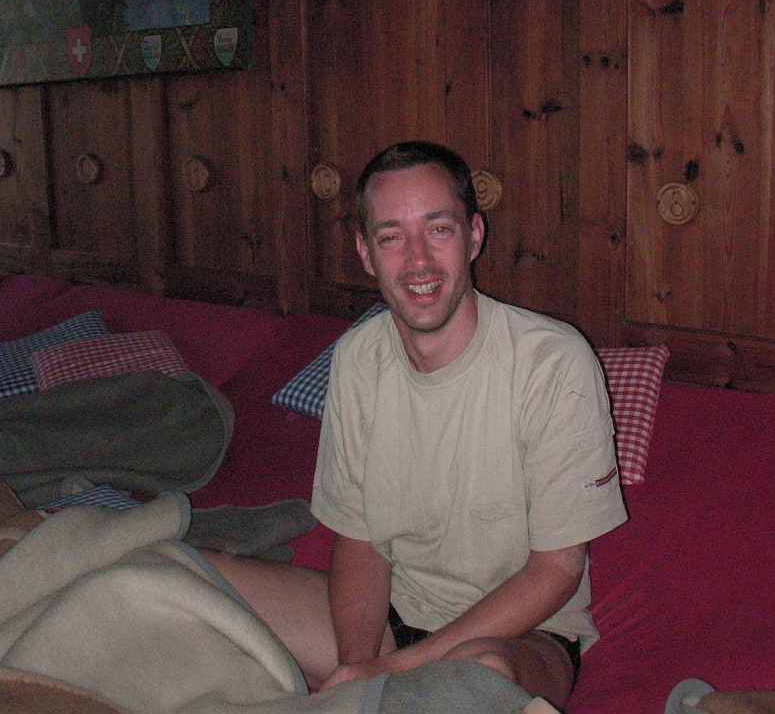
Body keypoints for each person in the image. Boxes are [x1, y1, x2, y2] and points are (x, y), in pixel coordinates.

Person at [206, 141, 627, 710]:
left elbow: (556, 570)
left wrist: (391, 670)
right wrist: (358, 668)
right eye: (391, 237)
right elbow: (360, 541)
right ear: (365, 253)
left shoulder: (552, 362)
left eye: (438, 230)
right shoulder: (358, 358)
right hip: (394, 619)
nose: (418, 261)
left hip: (520, 635)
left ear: (474, 236)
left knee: (477, 675)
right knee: (190, 578)